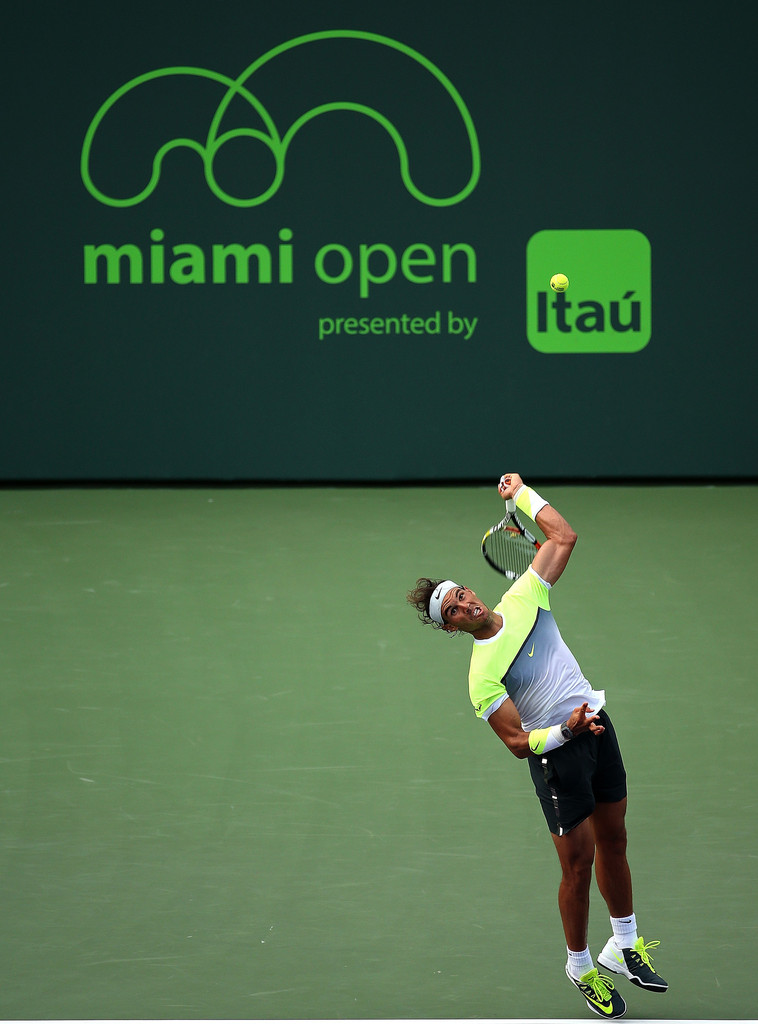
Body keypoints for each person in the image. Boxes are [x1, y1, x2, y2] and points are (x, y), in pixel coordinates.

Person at [406, 473, 667, 1019]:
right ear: (450, 628)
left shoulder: (525, 592)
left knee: (615, 839)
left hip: (597, 725)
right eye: (451, 610)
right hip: (559, 754)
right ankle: (579, 964)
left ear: (471, 590)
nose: (463, 604)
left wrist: (521, 493)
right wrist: (566, 730)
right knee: (578, 865)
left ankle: (624, 943)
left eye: (460, 593)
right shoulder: (481, 676)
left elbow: (563, 536)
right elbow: (519, 743)